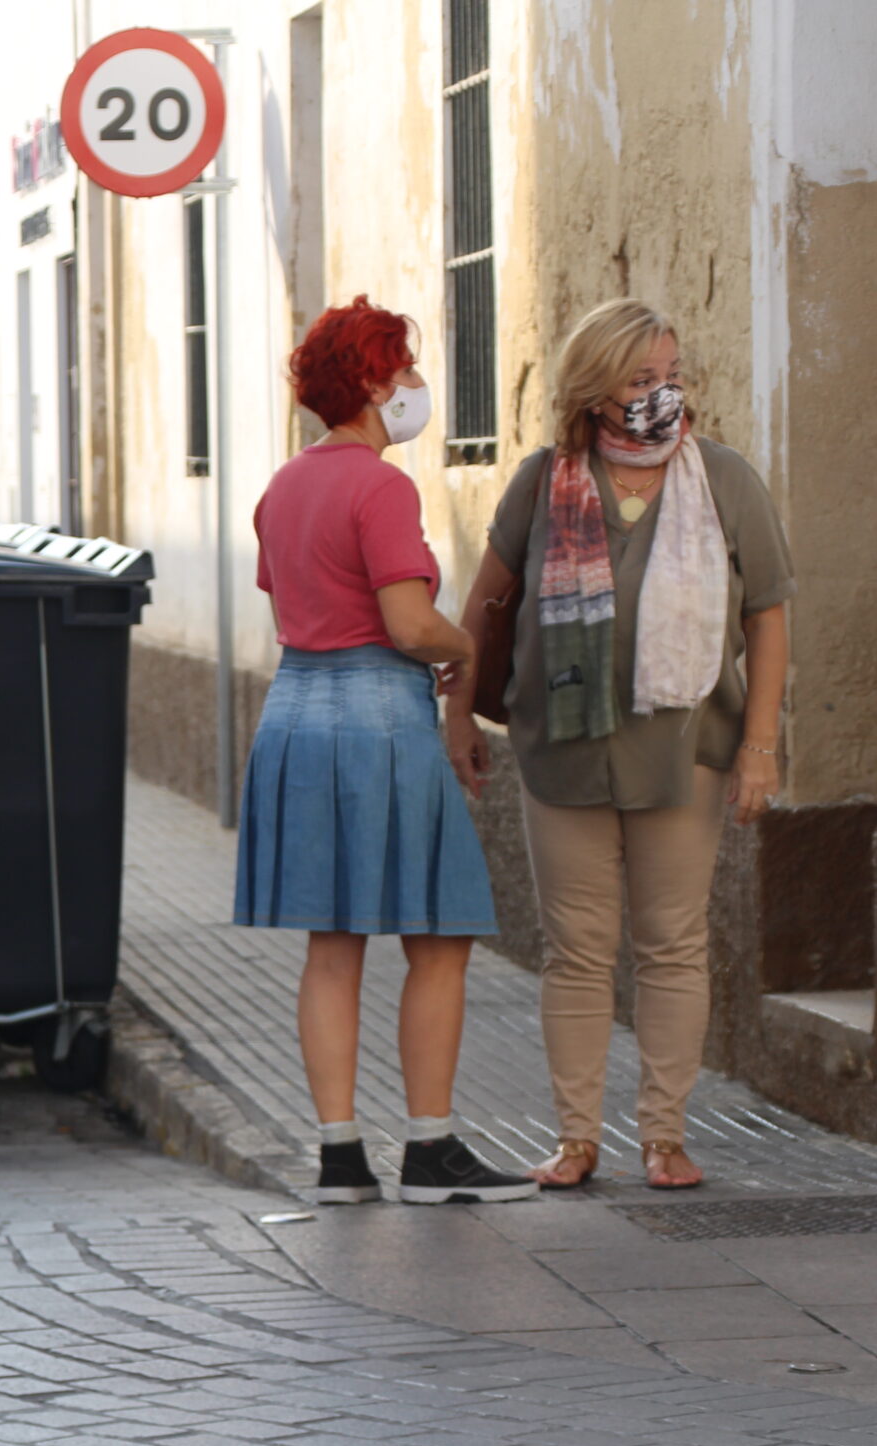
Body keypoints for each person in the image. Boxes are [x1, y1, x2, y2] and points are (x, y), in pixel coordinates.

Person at [441, 299, 793, 1191]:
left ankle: (665, 1136)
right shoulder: (542, 482)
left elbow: (768, 616)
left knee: (673, 943)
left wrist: (760, 745)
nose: (662, 393)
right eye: (641, 379)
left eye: (671, 375)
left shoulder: (724, 479)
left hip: (686, 752)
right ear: (596, 390)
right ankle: (575, 1139)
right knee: (576, 949)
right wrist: (457, 715)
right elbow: (486, 603)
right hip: (564, 752)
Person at [235, 296, 536, 1208]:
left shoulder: (283, 486)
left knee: (332, 945)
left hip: (294, 713)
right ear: (370, 382)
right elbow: (408, 624)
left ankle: (340, 1158)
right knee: (439, 934)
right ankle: (430, 1148)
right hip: (378, 719)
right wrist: (466, 647)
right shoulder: (381, 486)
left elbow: (292, 604)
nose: (413, 381)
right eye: (401, 367)